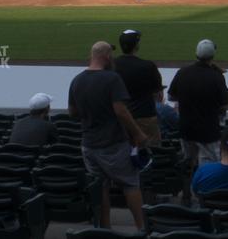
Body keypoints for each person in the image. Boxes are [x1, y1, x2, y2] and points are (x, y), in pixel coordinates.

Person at [69, 41, 148, 230]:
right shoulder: (112, 78)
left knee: (101, 186)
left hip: (89, 144)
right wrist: (138, 133)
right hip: (112, 143)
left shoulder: (77, 80)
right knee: (130, 183)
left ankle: (105, 229)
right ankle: (142, 228)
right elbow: (120, 110)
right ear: (106, 56)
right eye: (110, 55)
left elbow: (72, 112)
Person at [168, 39, 228, 181]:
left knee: (188, 163)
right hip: (208, 131)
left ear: (196, 54)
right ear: (213, 55)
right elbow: (226, 105)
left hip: (186, 129)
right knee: (209, 165)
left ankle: (187, 194)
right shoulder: (216, 76)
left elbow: (172, 97)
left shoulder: (182, 72)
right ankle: (206, 194)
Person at [113, 29, 164, 146]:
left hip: (119, 119)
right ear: (136, 46)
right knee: (152, 154)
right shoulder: (148, 66)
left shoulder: (112, 65)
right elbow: (158, 95)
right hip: (145, 118)